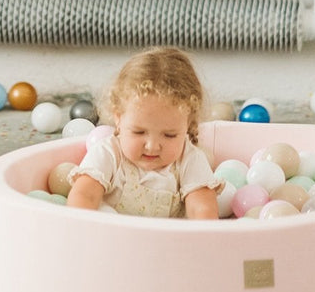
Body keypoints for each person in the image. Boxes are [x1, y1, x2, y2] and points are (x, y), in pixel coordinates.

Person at [67, 46, 220, 219]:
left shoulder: (189, 159)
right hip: (113, 239)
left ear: (188, 125)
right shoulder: (109, 154)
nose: (152, 146)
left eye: (169, 135)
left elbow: (202, 209)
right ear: (118, 118)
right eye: (139, 132)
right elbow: (84, 196)